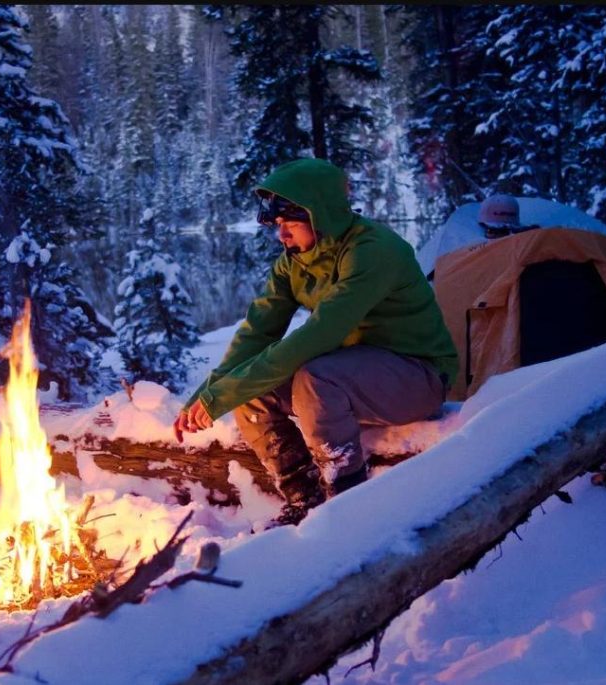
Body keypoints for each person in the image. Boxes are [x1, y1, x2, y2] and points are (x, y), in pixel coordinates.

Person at [174, 158, 458, 525]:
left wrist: (223, 394)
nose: (282, 236)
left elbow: (319, 334)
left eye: (291, 224)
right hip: (355, 375)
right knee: (250, 391)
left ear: (321, 217)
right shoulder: (293, 262)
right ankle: (303, 498)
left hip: (418, 376)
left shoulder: (372, 251)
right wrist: (209, 392)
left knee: (314, 376)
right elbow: (258, 333)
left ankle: (347, 503)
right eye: (279, 225)